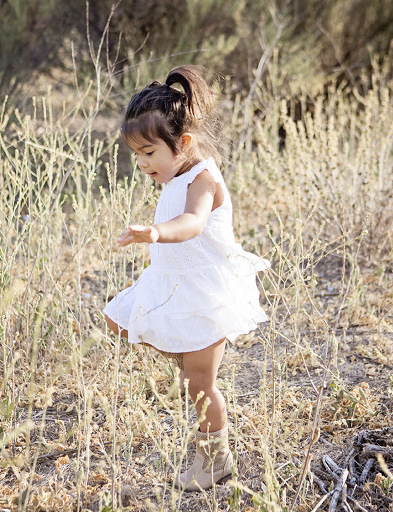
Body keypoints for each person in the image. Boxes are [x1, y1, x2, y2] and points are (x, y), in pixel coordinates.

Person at [103, 65, 268, 491]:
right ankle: (186, 353)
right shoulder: (177, 171)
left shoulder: (203, 179)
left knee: (200, 385)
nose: (141, 163)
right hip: (172, 281)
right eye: (135, 155)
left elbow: (193, 224)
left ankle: (215, 460)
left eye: (148, 152)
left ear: (184, 143)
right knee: (118, 319)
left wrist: (156, 232)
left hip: (203, 293)